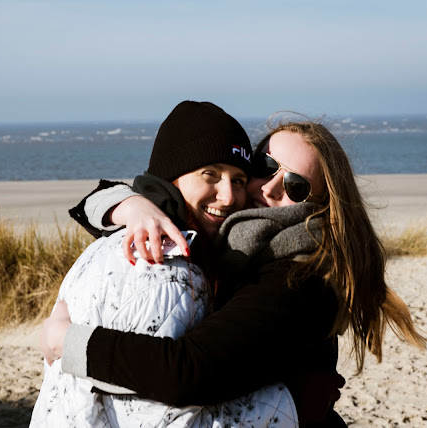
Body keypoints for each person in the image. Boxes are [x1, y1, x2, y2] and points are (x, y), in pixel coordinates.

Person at [41, 118, 427, 426]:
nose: (271, 188)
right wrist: (134, 207)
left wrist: (67, 342)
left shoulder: (297, 278)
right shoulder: (235, 247)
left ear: (322, 205)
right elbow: (95, 205)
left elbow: (189, 372)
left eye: (296, 186)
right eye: (266, 166)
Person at [31, 101, 303, 427]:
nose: (229, 196)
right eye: (210, 174)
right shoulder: (156, 264)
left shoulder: (194, 249)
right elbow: (166, 394)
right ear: (173, 177)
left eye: (239, 179)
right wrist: (292, 403)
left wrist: (127, 204)